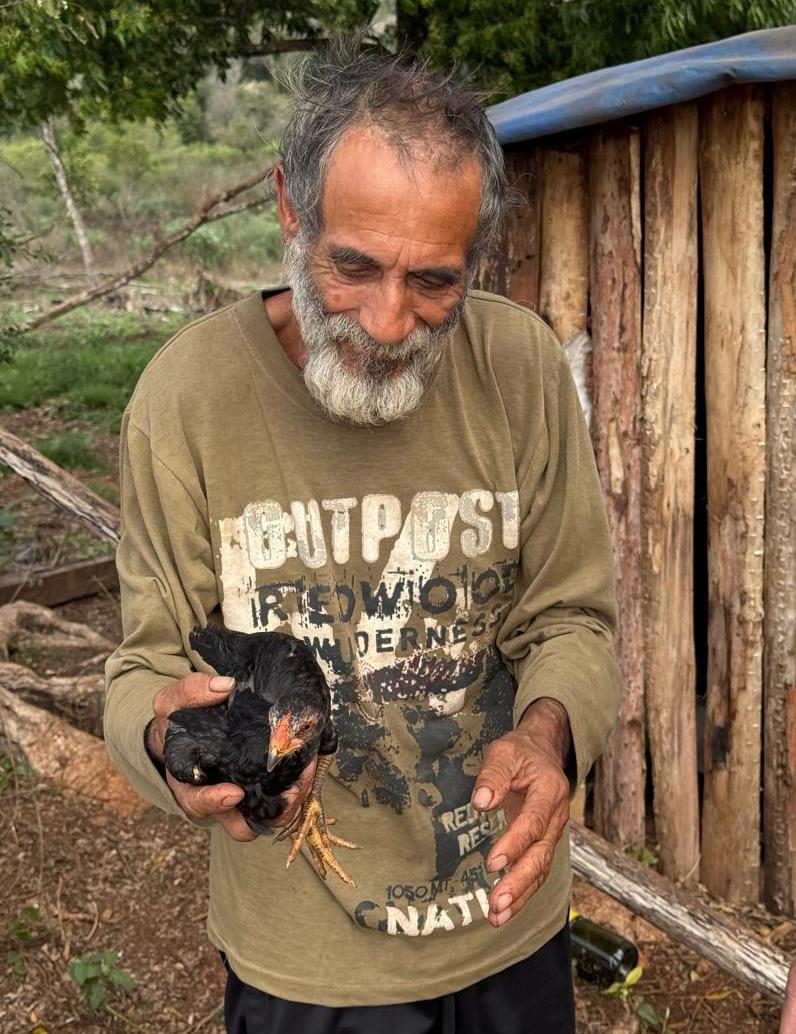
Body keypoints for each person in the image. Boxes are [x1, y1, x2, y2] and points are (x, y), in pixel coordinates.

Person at [104, 38, 622, 1034]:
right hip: (307, 967)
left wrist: (548, 731)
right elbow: (143, 667)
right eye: (353, 266)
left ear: (477, 250)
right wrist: (170, 737)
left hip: (509, 928)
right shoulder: (188, 397)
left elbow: (572, 613)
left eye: (434, 279)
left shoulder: (518, 368)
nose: (388, 322)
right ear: (291, 211)